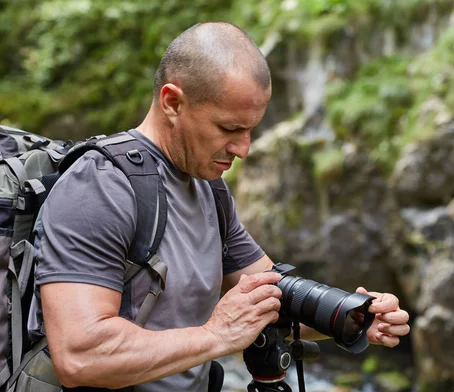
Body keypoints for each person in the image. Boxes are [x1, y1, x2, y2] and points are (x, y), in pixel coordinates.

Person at [29, 22, 410, 391]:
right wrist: (216, 335)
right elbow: (80, 356)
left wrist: (351, 317)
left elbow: (273, 300)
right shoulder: (99, 187)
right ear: (172, 102)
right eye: (229, 129)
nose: (243, 149)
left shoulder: (208, 188)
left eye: (250, 130)